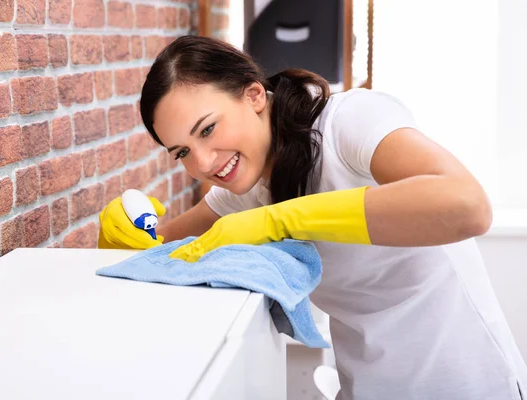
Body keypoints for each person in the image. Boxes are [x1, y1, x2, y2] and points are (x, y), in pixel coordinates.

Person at [98, 35, 526, 399]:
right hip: (366, 384)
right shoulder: (244, 191)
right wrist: (124, 237)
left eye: (208, 129)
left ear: (253, 95)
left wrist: (282, 219)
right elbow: (160, 249)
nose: (205, 162)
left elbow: (467, 205)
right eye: (183, 153)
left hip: (467, 380)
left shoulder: (348, 124)